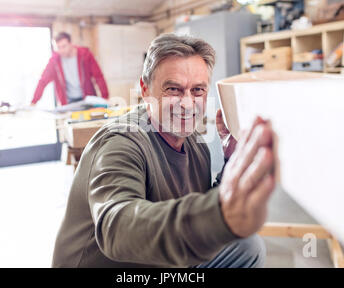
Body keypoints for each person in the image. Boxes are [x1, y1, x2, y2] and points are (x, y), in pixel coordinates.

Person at [52, 33, 276, 268]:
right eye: (174, 90)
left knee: (246, 248)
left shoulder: (194, 144)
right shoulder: (121, 142)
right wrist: (218, 215)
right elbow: (115, 228)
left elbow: (194, 213)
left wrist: (232, 159)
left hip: (156, 261)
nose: (187, 104)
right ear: (145, 89)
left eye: (198, 90)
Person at [31, 32, 109, 105]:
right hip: (68, 103)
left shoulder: (85, 55)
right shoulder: (54, 61)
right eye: (58, 47)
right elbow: (43, 81)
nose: (61, 50)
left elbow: (98, 76)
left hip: (88, 100)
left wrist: (105, 97)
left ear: (71, 44)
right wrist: (34, 102)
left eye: (64, 46)